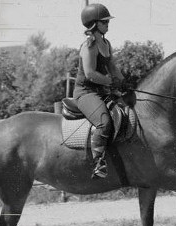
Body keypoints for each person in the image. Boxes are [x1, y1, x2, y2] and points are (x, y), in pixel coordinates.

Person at [73, 3, 125, 179]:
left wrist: (124, 83)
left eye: (107, 21)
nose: (107, 24)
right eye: (104, 22)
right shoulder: (89, 45)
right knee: (103, 122)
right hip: (85, 93)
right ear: (94, 23)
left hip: (101, 91)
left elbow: (113, 67)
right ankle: (99, 164)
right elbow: (89, 74)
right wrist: (109, 81)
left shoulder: (106, 43)